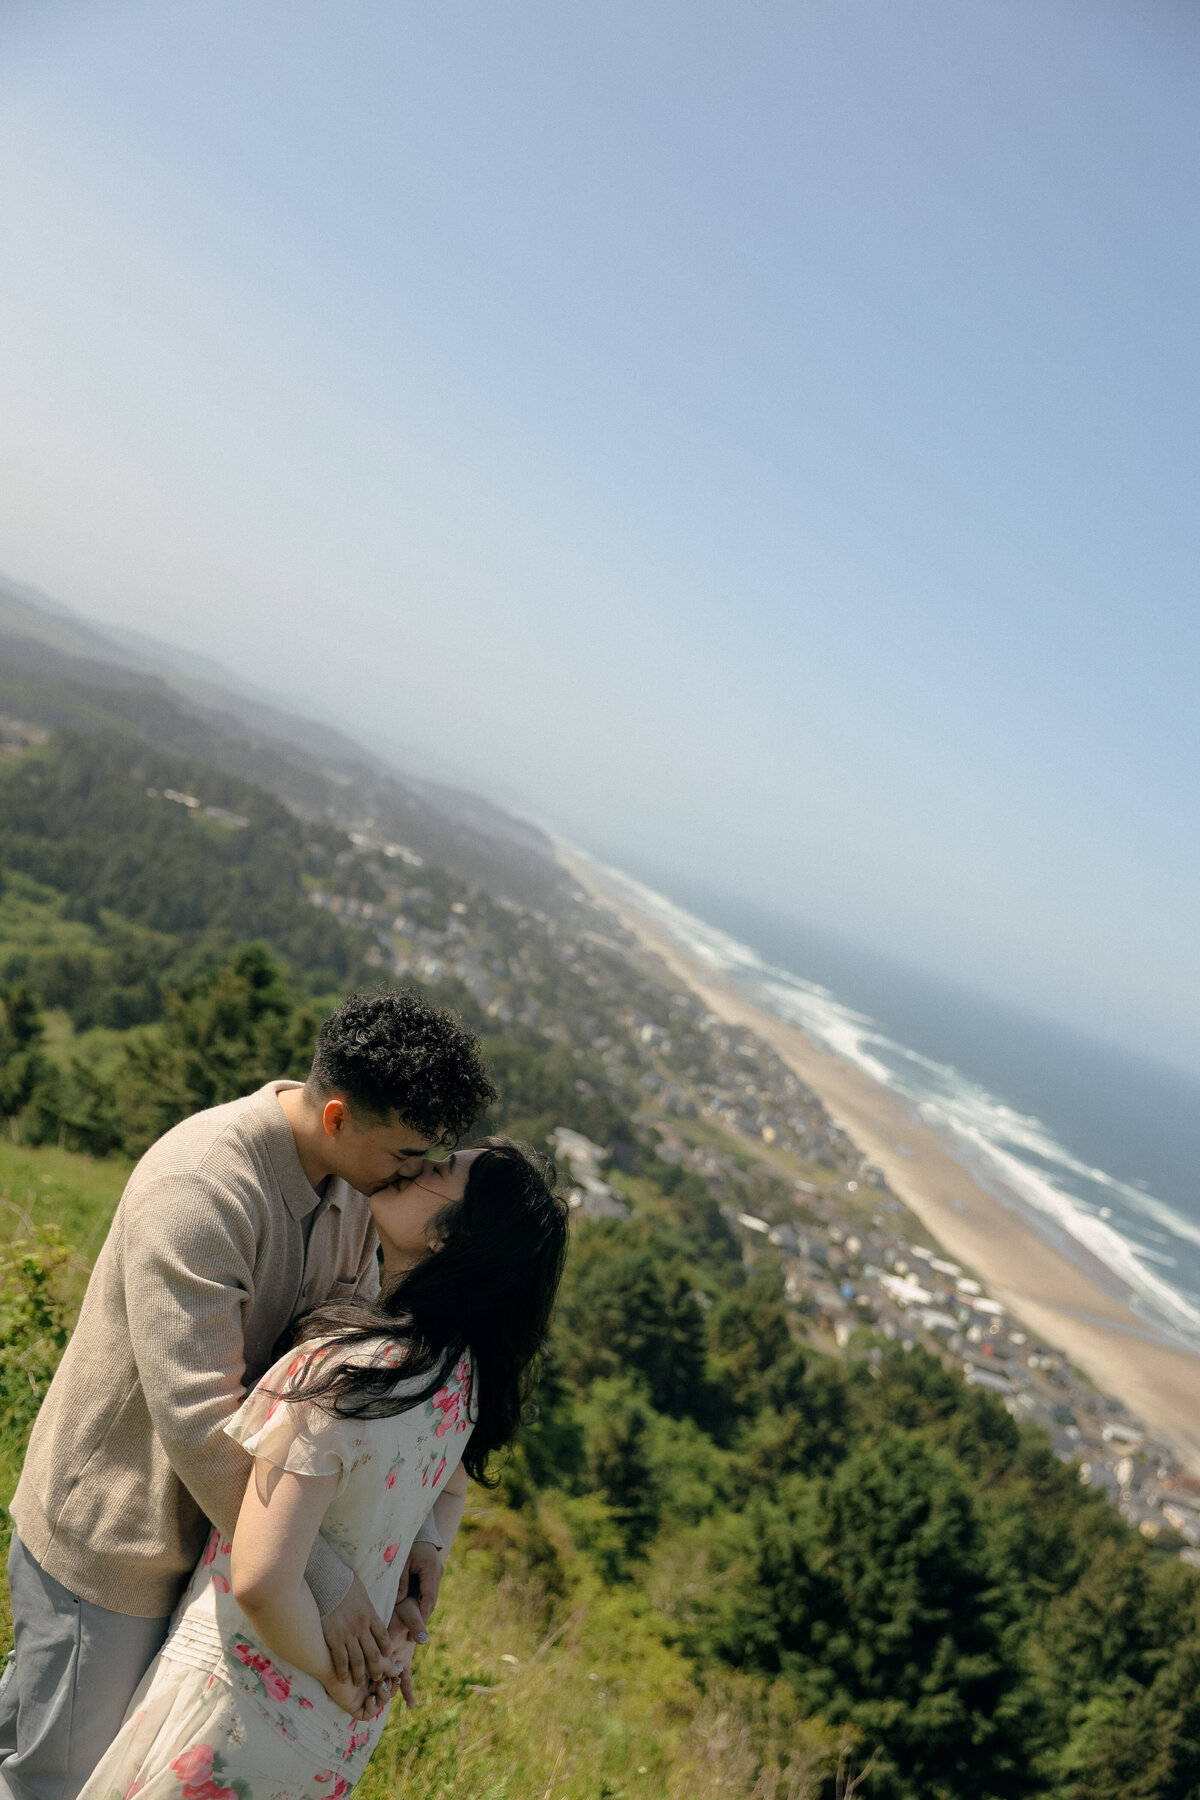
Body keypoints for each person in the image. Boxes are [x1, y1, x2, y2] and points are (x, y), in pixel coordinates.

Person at [0, 988, 498, 1800]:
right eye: (407, 1153)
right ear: (337, 1118)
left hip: (213, 1545)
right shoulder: (201, 1188)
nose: (415, 1174)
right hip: (115, 1544)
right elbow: (202, 1423)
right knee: (52, 1780)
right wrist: (324, 1584)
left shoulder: (350, 1190)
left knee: (66, 1753)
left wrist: (418, 1540)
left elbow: (323, 1384)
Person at [79, 1137, 568, 1798]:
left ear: (456, 1240)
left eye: (444, 1170)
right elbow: (448, 1488)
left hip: (233, 1707)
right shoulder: (465, 1380)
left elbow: (260, 1579)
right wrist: (428, 1554)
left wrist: (336, 1670)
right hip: (328, 1745)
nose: (419, 1160)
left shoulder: (345, 1370)